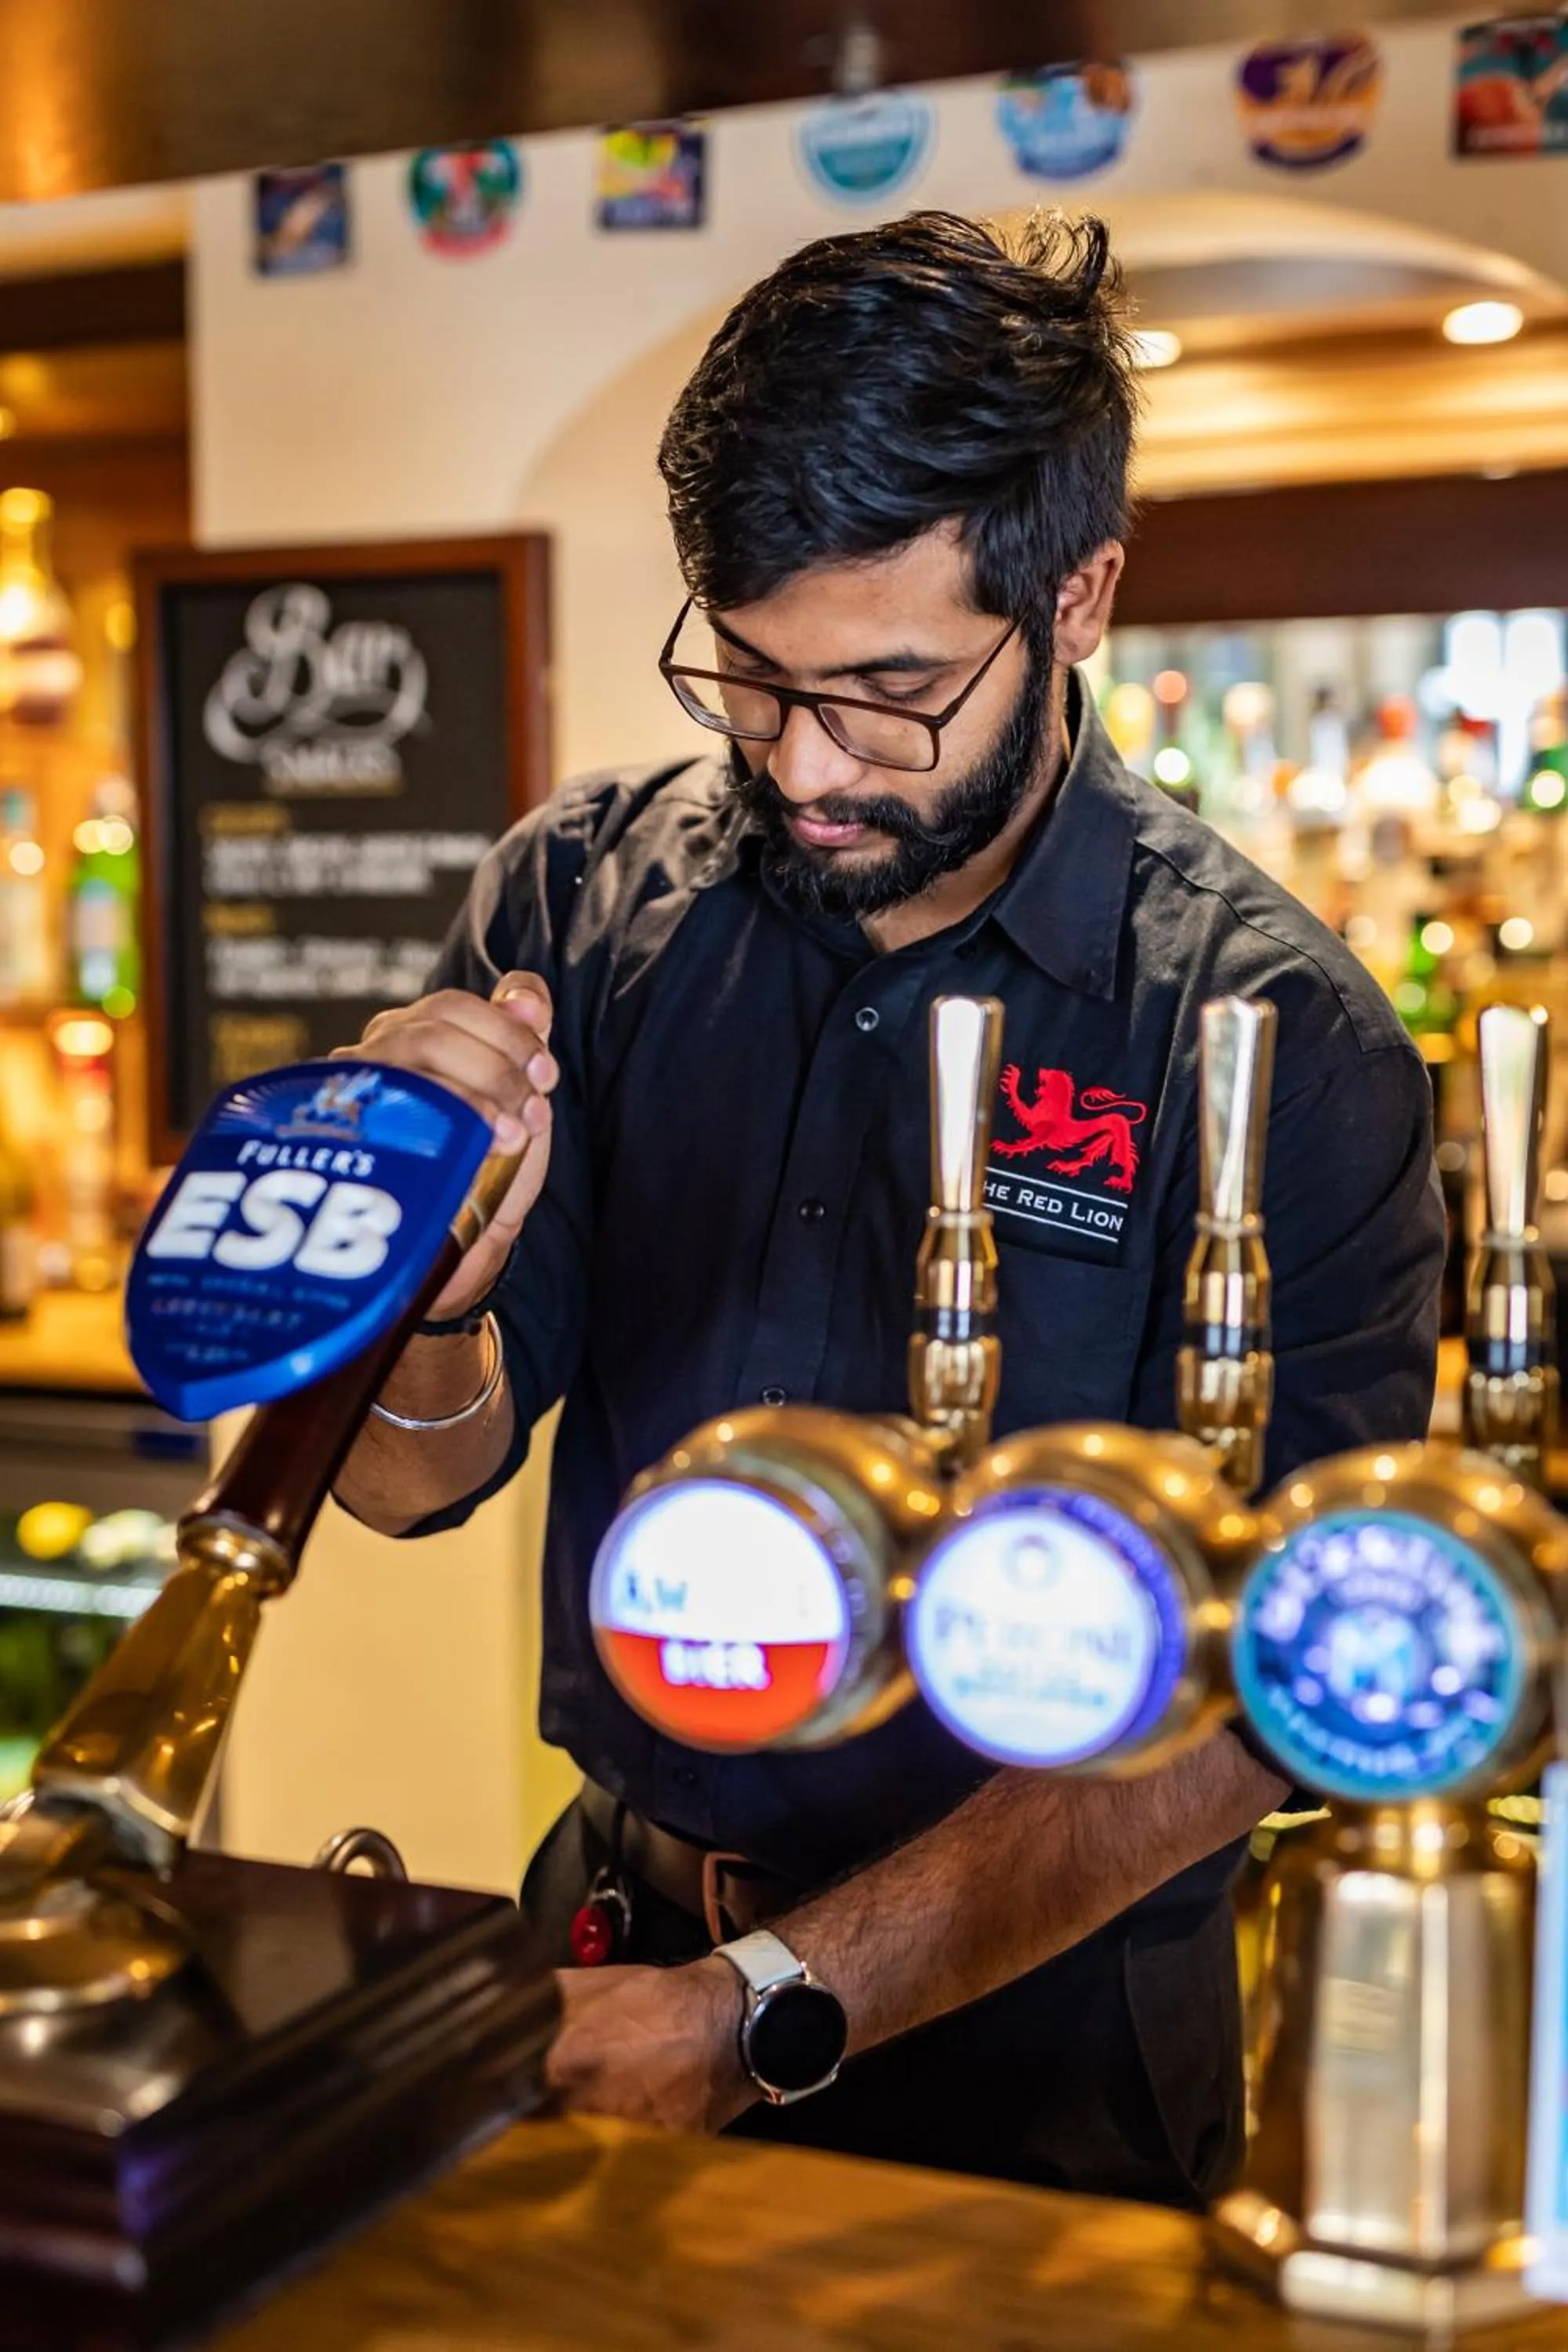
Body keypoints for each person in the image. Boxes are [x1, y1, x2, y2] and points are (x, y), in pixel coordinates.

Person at [332, 210, 1444, 2205]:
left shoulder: (1271, 1040)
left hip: (1039, 2058)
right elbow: (409, 1489)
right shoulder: (581, 905)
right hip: (608, 1947)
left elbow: (1269, 1700)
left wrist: (769, 2001)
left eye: (890, 693)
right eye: (746, 683)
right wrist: (413, 1287)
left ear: (1081, 596)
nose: (805, 760)